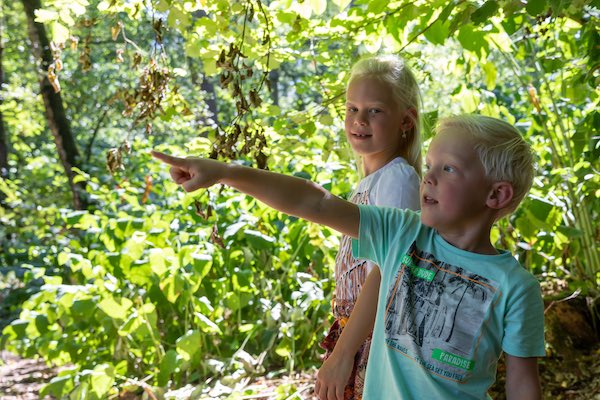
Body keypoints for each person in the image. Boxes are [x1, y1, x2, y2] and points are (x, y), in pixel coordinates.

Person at [151, 114, 545, 400]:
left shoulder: (516, 287)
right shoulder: (403, 233)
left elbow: (522, 383)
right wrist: (224, 171)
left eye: (449, 169)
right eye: (430, 167)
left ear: (496, 195)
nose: (429, 178)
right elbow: (314, 201)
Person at [319, 54, 422, 399]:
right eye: (352, 109)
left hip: (376, 338)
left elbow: (386, 273)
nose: (359, 120)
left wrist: (344, 353)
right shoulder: (371, 181)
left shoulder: (398, 178)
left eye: (374, 110)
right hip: (358, 331)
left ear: (406, 121)